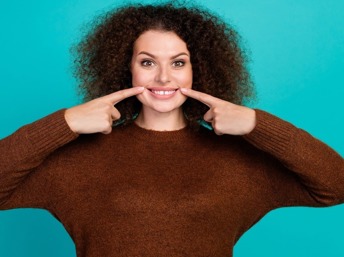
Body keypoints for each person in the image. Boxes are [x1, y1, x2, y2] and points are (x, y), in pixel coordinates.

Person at [0, 3, 343, 257]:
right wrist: (66, 123)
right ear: (126, 69)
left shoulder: (238, 161)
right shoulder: (78, 158)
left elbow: (335, 184)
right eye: (147, 62)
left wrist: (256, 123)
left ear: (199, 69)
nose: (163, 78)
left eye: (178, 63)